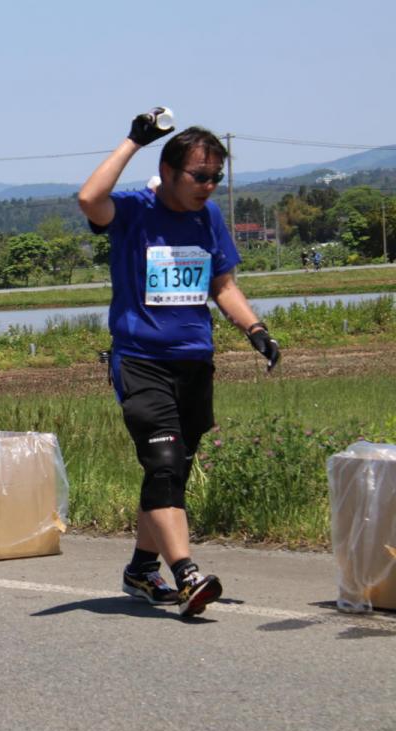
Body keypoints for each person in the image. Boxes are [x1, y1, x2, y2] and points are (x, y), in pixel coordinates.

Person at [78, 110, 281, 618]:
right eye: (199, 176)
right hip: (141, 361)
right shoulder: (132, 211)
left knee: (172, 474)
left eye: (216, 177)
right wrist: (133, 140)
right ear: (168, 171)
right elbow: (88, 199)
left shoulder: (208, 217)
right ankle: (187, 574)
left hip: (194, 362)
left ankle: (141, 571)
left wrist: (255, 330)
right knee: (163, 464)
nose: (209, 186)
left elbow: (223, 286)